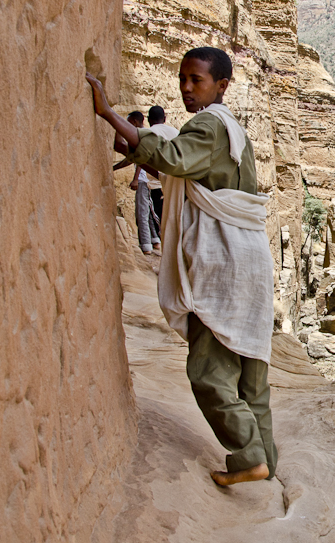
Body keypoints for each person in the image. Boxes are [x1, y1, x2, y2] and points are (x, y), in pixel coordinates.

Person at [87, 47, 276, 487]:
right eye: (183, 79)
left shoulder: (209, 124)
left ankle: (249, 457)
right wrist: (136, 147)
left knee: (208, 371)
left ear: (222, 86)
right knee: (251, 374)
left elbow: (172, 160)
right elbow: (185, 164)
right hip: (248, 259)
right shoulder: (233, 130)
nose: (187, 89)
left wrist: (108, 115)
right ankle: (267, 464)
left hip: (222, 262)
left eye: (197, 80)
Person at [115, 111, 161, 254]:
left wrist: (136, 179)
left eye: (129, 122)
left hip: (143, 179)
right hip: (147, 180)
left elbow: (141, 159)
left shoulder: (141, 134)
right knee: (147, 212)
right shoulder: (145, 133)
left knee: (142, 212)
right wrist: (114, 167)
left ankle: (146, 246)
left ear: (134, 121)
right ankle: (154, 240)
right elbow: (131, 158)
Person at [146, 105, 179, 220]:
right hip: (175, 185)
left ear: (148, 119)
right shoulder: (176, 133)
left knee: (160, 221)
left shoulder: (148, 134)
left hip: (156, 185)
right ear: (164, 118)